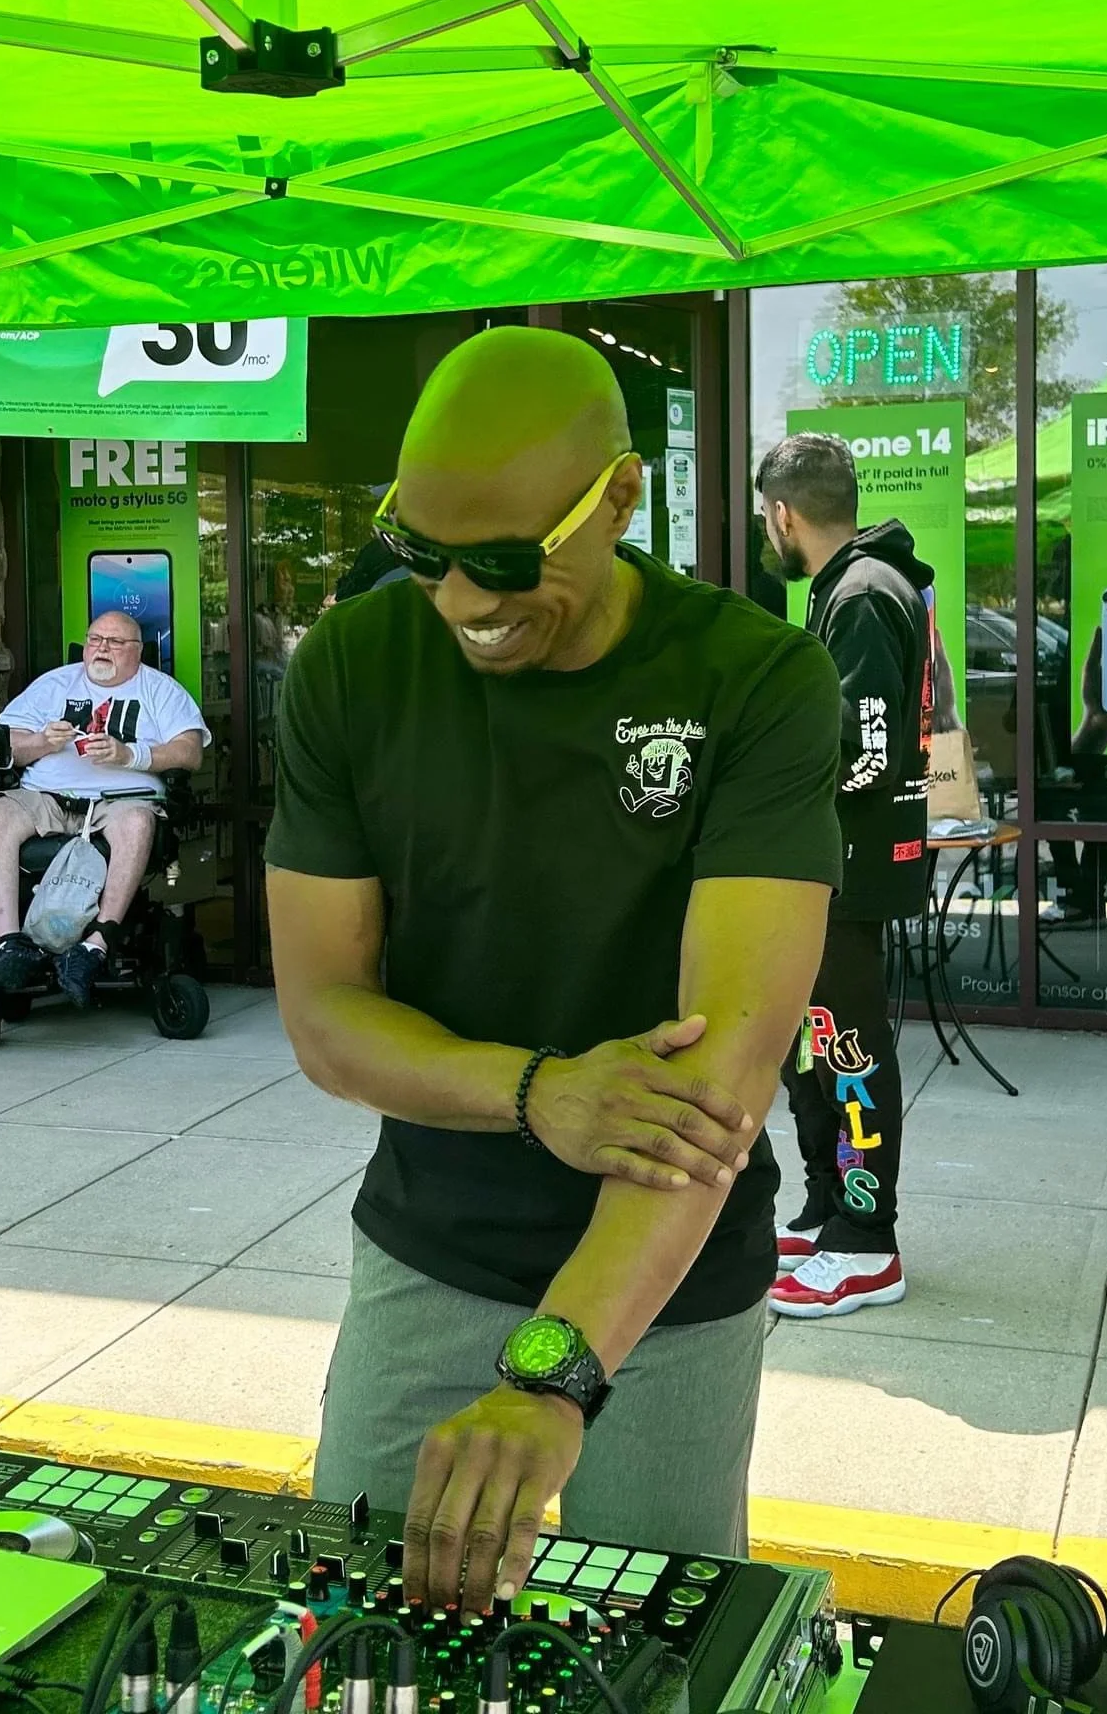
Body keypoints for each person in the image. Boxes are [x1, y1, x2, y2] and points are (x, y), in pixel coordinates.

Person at [266, 327, 841, 1612]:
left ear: (621, 497)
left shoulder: (755, 680)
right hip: (428, 1244)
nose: (464, 599)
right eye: (421, 553)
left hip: (672, 1281)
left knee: (657, 1641)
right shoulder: (350, 666)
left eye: (507, 561)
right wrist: (540, 1089)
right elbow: (323, 1014)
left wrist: (548, 1379)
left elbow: (723, 1083)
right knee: (363, 1623)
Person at [755, 433, 931, 1318]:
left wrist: (773, 795)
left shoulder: (861, 594)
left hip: (849, 869)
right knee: (813, 1044)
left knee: (849, 1046)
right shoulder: (860, 584)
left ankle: (869, 1239)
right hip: (834, 868)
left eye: (764, 516)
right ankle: (828, 1211)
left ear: (784, 512)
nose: (765, 530)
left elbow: (863, 753)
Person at [0, 610, 207, 1009]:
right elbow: (6, 747)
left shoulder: (160, 690)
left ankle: (98, 942)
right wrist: (42, 742)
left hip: (120, 802)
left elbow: (190, 753)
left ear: (137, 652)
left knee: (138, 821)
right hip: (48, 797)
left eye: (115, 642)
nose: (102, 649)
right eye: (95, 640)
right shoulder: (53, 685)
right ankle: (8, 945)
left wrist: (130, 754)